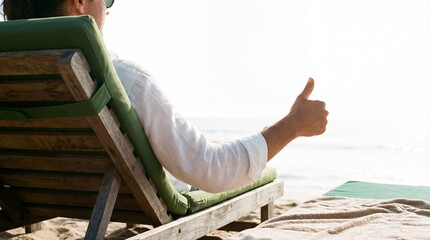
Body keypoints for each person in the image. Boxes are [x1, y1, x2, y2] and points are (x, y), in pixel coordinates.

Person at [1, 0, 328, 193]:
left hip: (41, 194)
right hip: (120, 197)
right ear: (80, 2)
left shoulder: (9, 75)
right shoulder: (123, 81)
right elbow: (209, 170)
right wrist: (293, 125)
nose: (109, 9)